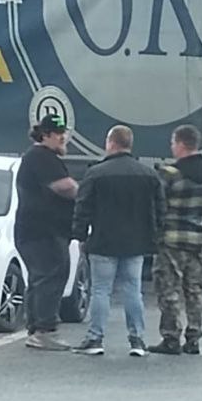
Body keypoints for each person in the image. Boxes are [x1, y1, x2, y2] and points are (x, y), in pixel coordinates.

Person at [70, 124, 165, 357]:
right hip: (136, 242)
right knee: (133, 290)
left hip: (103, 240)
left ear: (110, 143)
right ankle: (137, 340)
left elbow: (83, 207)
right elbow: (160, 210)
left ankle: (95, 338)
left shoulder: (96, 173)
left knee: (101, 290)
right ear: (129, 144)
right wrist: (156, 236)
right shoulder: (149, 174)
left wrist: (79, 235)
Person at [15, 113, 78, 351]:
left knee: (40, 278)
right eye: (58, 134)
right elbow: (64, 187)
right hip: (43, 233)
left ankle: (35, 329)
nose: (63, 138)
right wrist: (86, 192)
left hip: (37, 232)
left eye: (64, 133)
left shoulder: (39, 157)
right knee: (51, 277)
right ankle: (45, 330)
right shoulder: (41, 156)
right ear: (45, 135)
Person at [151, 124, 202, 356]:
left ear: (180, 144)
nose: (172, 148)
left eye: (173, 143)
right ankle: (194, 337)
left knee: (169, 289)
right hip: (197, 238)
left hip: (172, 239)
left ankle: (171, 337)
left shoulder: (170, 173)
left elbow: (158, 203)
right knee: (194, 290)